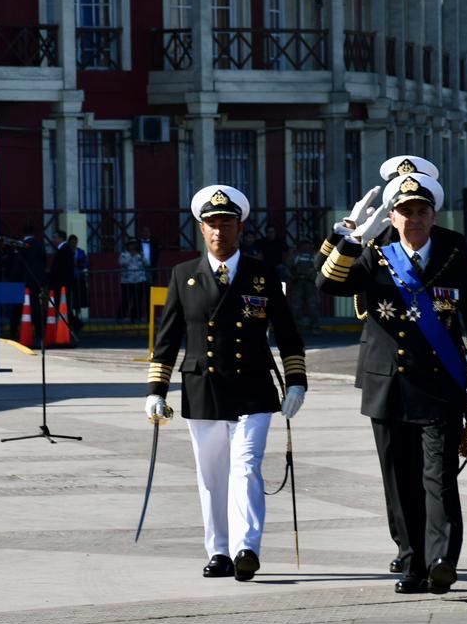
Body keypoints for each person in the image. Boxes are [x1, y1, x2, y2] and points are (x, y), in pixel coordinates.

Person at [317, 155, 467, 595]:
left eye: (421, 211)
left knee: (438, 478)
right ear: (392, 216)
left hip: (440, 384)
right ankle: (413, 562)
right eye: (405, 210)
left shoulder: (453, 254)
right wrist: (349, 239)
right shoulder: (375, 253)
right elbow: (328, 284)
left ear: (434, 214)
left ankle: (441, 560)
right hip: (388, 384)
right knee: (399, 481)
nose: (413, 218)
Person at [145, 185, 308, 582]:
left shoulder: (262, 275)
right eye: (212, 224)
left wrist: (297, 381)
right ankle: (218, 550)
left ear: (241, 227)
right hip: (204, 385)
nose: (219, 231)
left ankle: (246, 547)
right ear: (201, 230)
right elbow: (167, 338)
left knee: (246, 467)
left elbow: (287, 332)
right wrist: (156, 390)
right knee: (212, 474)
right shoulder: (184, 275)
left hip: (253, 386)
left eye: (227, 223)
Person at [286, 239, 322, 334]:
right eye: (304, 245)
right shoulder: (296, 255)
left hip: (311, 284)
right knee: (297, 307)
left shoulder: (315, 256)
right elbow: (288, 267)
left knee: (313, 306)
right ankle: (298, 327)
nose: (306, 247)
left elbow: (320, 269)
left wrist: (313, 275)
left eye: (308, 244)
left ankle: (315, 327)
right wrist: (293, 277)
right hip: (298, 283)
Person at [118, 239, 148, 322]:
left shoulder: (140, 254)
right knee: (125, 300)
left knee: (137, 300)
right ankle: (121, 317)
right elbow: (122, 263)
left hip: (139, 280)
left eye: (134, 244)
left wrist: (141, 257)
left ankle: (135, 317)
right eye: (131, 244)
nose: (132, 246)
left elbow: (146, 264)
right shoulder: (124, 255)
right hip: (127, 281)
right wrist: (131, 256)